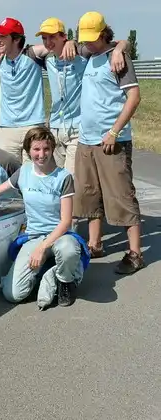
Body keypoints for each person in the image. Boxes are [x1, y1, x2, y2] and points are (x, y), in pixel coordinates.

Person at [0, 126, 89, 309]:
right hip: (34, 236)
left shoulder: (63, 177)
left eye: (46, 149)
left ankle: (65, 280)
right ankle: (49, 271)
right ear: (28, 150)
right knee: (13, 295)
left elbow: (66, 222)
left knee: (68, 250)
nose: (41, 154)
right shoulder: (24, 171)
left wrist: (42, 248)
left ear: (52, 149)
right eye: (36, 149)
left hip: (60, 236)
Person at [74, 11, 144, 274]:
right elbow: (70, 46)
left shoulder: (119, 59)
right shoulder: (88, 53)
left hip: (112, 141)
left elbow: (134, 97)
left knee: (121, 196)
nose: (87, 43)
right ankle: (95, 244)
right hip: (86, 140)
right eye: (84, 38)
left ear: (104, 34)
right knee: (89, 195)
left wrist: (114, 132)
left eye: (92, 38)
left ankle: (135, 253)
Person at [35, 17, 129, 175]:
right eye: (44, 38)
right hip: (55, 128)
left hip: (77, 129)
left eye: (52, 37)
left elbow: (118, 43)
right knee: (56, 178)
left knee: (71, 178)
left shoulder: (82, 53)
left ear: (63, 36)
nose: (48, 42)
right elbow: (26, 51)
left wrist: (119, 50)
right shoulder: (48, 58)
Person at [0, 17, 76, 163]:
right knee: (6, 173)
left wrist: (70, 42)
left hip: (33, 125)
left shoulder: (31, 54)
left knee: (34, 173)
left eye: (3, 36)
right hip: (7, 129)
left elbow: (54, 46)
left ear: (17, 39)